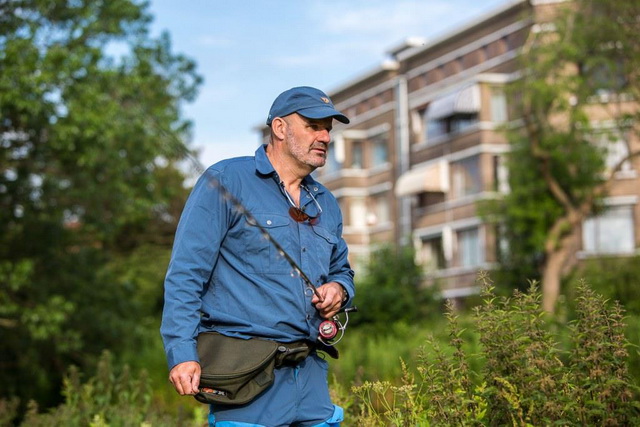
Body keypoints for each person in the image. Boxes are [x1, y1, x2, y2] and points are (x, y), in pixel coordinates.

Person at [160, 86, 355, 426]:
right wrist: (182, 354)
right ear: (280, 128)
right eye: (313, 125)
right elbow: (186, 274)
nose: (325, 136)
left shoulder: (326, 202)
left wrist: (339, 288)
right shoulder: (225, 180)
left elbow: (342, 270)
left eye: (328, 128)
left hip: (309, 378)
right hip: (247, 378)